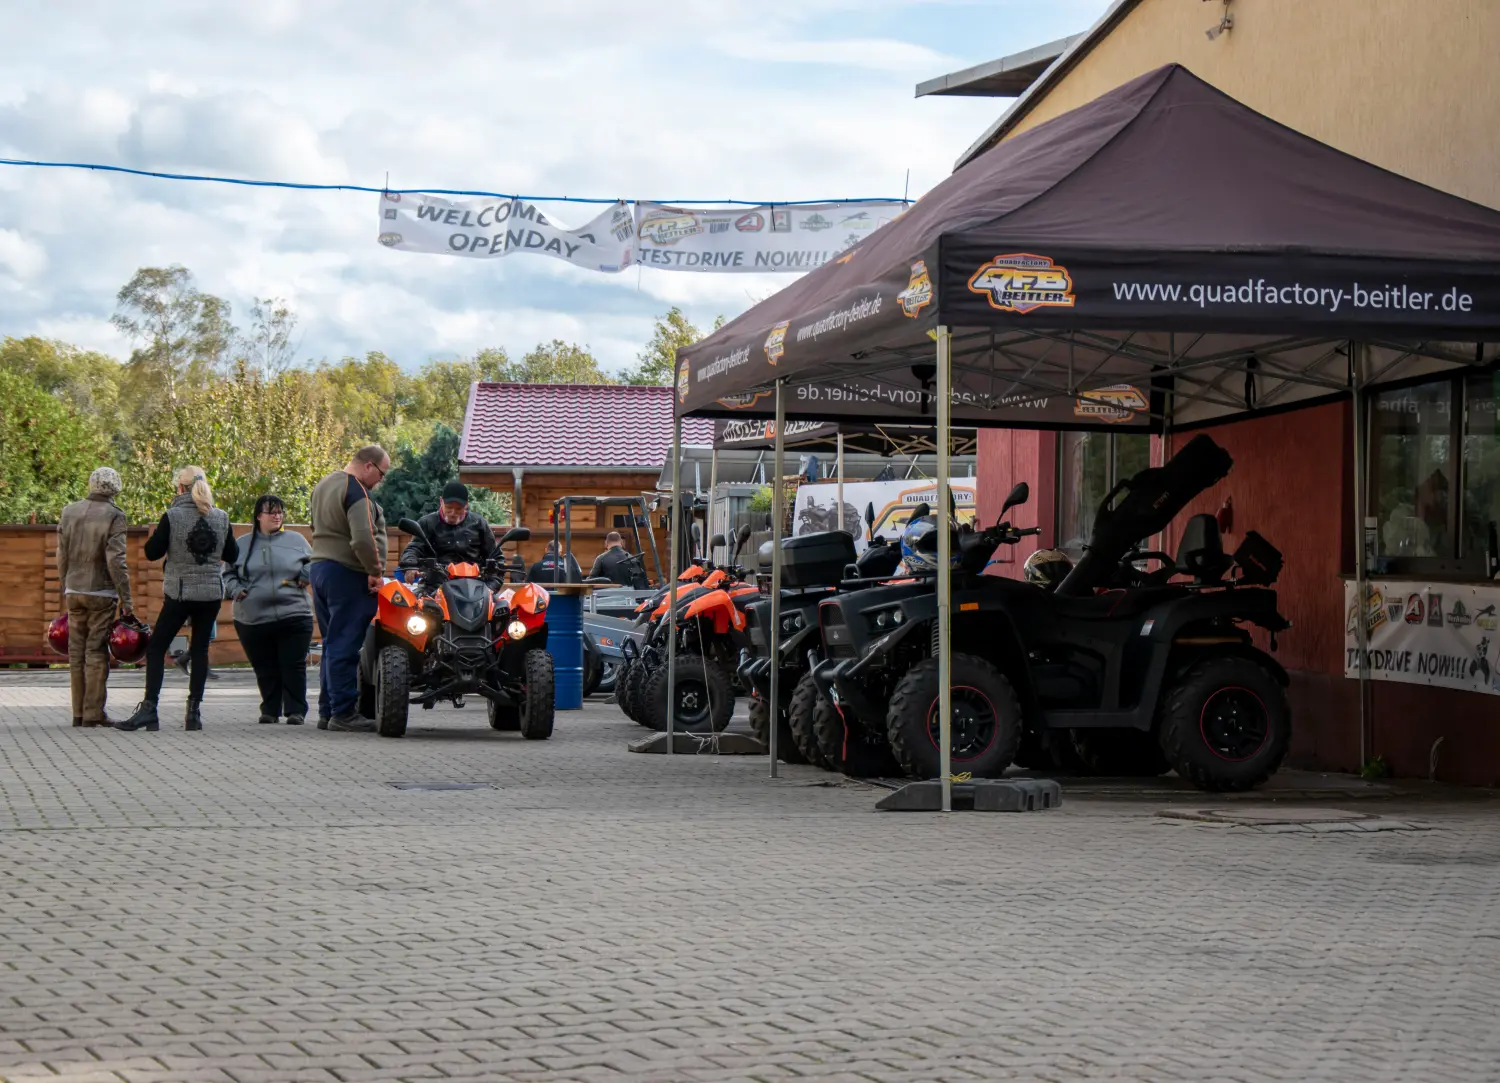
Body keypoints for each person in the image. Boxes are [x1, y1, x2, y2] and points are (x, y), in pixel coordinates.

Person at [117, 467, 237, 732]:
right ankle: (193, 713)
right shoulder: (221, 517)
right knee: (200, 650)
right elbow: (233, 553)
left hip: (180, 593)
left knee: (157, 647)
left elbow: (151, 552)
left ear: (180, 488)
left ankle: (150, 709)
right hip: (210, 594)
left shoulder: (172, 516)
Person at [308, 446, 389, 732]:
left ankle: (326, 711)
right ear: (368, 466)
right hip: (347, 573)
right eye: (381, 473)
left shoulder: (323, 485)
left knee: (331, 642)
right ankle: (343, 713)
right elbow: (363, 539)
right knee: (345, 644)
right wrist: (375, 571)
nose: (380, 480)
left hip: (320, 569)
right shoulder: (356, 492)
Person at [56, 467, 134, 728]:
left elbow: (61, 554)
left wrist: (65, 584)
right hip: (101, 591)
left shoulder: (69, 511)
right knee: (96, 651)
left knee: (75, 652)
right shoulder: (115, 515)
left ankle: (78, 713)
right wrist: (127, 599)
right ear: (116, 488)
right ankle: (93, 713)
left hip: (73, 589)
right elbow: (116, 560)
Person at [227, 495, 314, 726]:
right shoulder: (241, 544)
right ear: (258, 516)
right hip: (253, 618)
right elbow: (227, 573)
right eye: (271, 512)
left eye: (280, 512)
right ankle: (270, 710)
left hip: (295, 612)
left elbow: (315, 562)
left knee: (293, 664)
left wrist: (305, 576)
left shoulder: (296, 540)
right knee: (265, 667)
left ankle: (296, 711)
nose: (277, 516)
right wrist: (236, 589)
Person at [399, 481, 497, 573]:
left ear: (466, 504)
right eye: (449, 507)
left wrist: (490, 586)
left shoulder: (479, 523)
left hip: (474, 584)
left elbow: (495, 557)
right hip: (435, 584)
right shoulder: (427, 523)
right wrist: (410, 566)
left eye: (458, 509)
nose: (453, 513)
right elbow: (414, 548)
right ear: (441, 501)